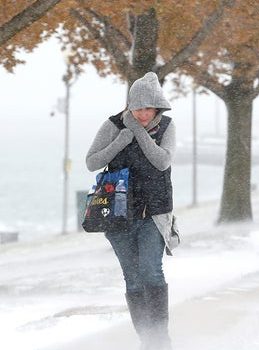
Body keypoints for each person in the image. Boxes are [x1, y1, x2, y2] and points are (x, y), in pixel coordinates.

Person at [85, 72, 177, 350]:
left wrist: (136, 133)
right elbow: (91, 162)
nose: (143, 114)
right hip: (117, 215)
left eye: (148, 108)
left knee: (151, 272)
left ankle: (160, 340)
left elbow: (162, 161)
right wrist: (120, 140)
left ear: (157, 107)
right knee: (133, 278)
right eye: (137, 108)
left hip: (154, 213)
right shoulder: (113, 125)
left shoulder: (167, 126)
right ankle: (146, 340)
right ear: (129, 106)